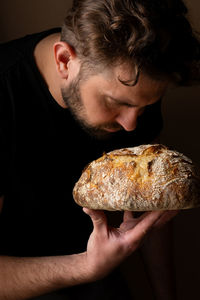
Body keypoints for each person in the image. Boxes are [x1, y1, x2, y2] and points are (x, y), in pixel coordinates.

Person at [0, 0, 199, 299]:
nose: (132, 125)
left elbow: (152, 206)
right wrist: (85, 267)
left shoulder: (135, 81)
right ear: (65, 60)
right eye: (116, 103)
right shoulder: (5, 95)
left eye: (144, 107)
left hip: (103, 277)